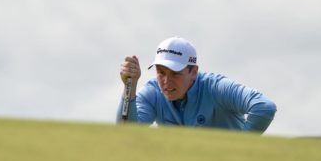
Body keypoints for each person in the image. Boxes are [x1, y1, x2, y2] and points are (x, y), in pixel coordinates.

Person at [117, 36, 276, 133]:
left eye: (175, 73)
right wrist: (129, 86)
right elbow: (127, 132)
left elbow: (264, 107)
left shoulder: (215, 87)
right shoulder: (153, 92)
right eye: (161, 72)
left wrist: (240, 147)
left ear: (193, 72)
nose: (166, 81)